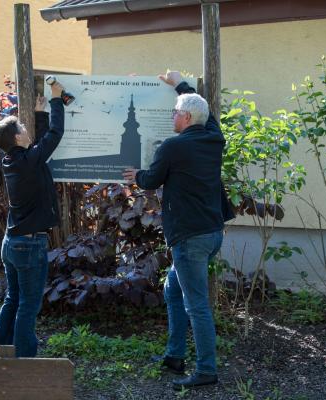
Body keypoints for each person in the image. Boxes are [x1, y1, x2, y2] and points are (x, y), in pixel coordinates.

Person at [123, 71, 234, 389]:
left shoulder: (173, 147)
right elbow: (206, 112)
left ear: (185, 117)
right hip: (211, 233)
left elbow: (152, 180)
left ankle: (206, 371)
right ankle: (174, 355)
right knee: (173, 291)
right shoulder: (214, 137)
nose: (171, 115)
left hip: (189, 237)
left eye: (174, 111)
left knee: (196, 304)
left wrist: (136, 175)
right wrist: (181, 84)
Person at [0, 82, 65, 357]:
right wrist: (56, 101)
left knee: (13, 300)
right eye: (22, 127)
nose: (26, 129)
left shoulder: (14, 161)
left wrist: (40, 114)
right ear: (17, 138)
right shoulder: (28, 160)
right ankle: (23, 362)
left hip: (13, 243)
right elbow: (54, 136)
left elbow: (40, 145)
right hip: (29, 246)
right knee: (28, 305)